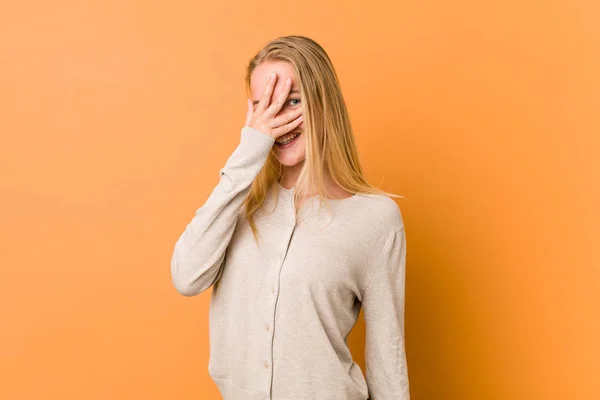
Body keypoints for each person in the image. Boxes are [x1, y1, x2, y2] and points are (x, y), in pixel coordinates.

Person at [171, 35, 409, 400]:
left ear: (323, 103)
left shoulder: (376, 219)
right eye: (263, 106)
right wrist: (249, 150)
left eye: (292, 101)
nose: (277, 120)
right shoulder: (238, 204)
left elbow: (386, 359)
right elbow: (186, 277)